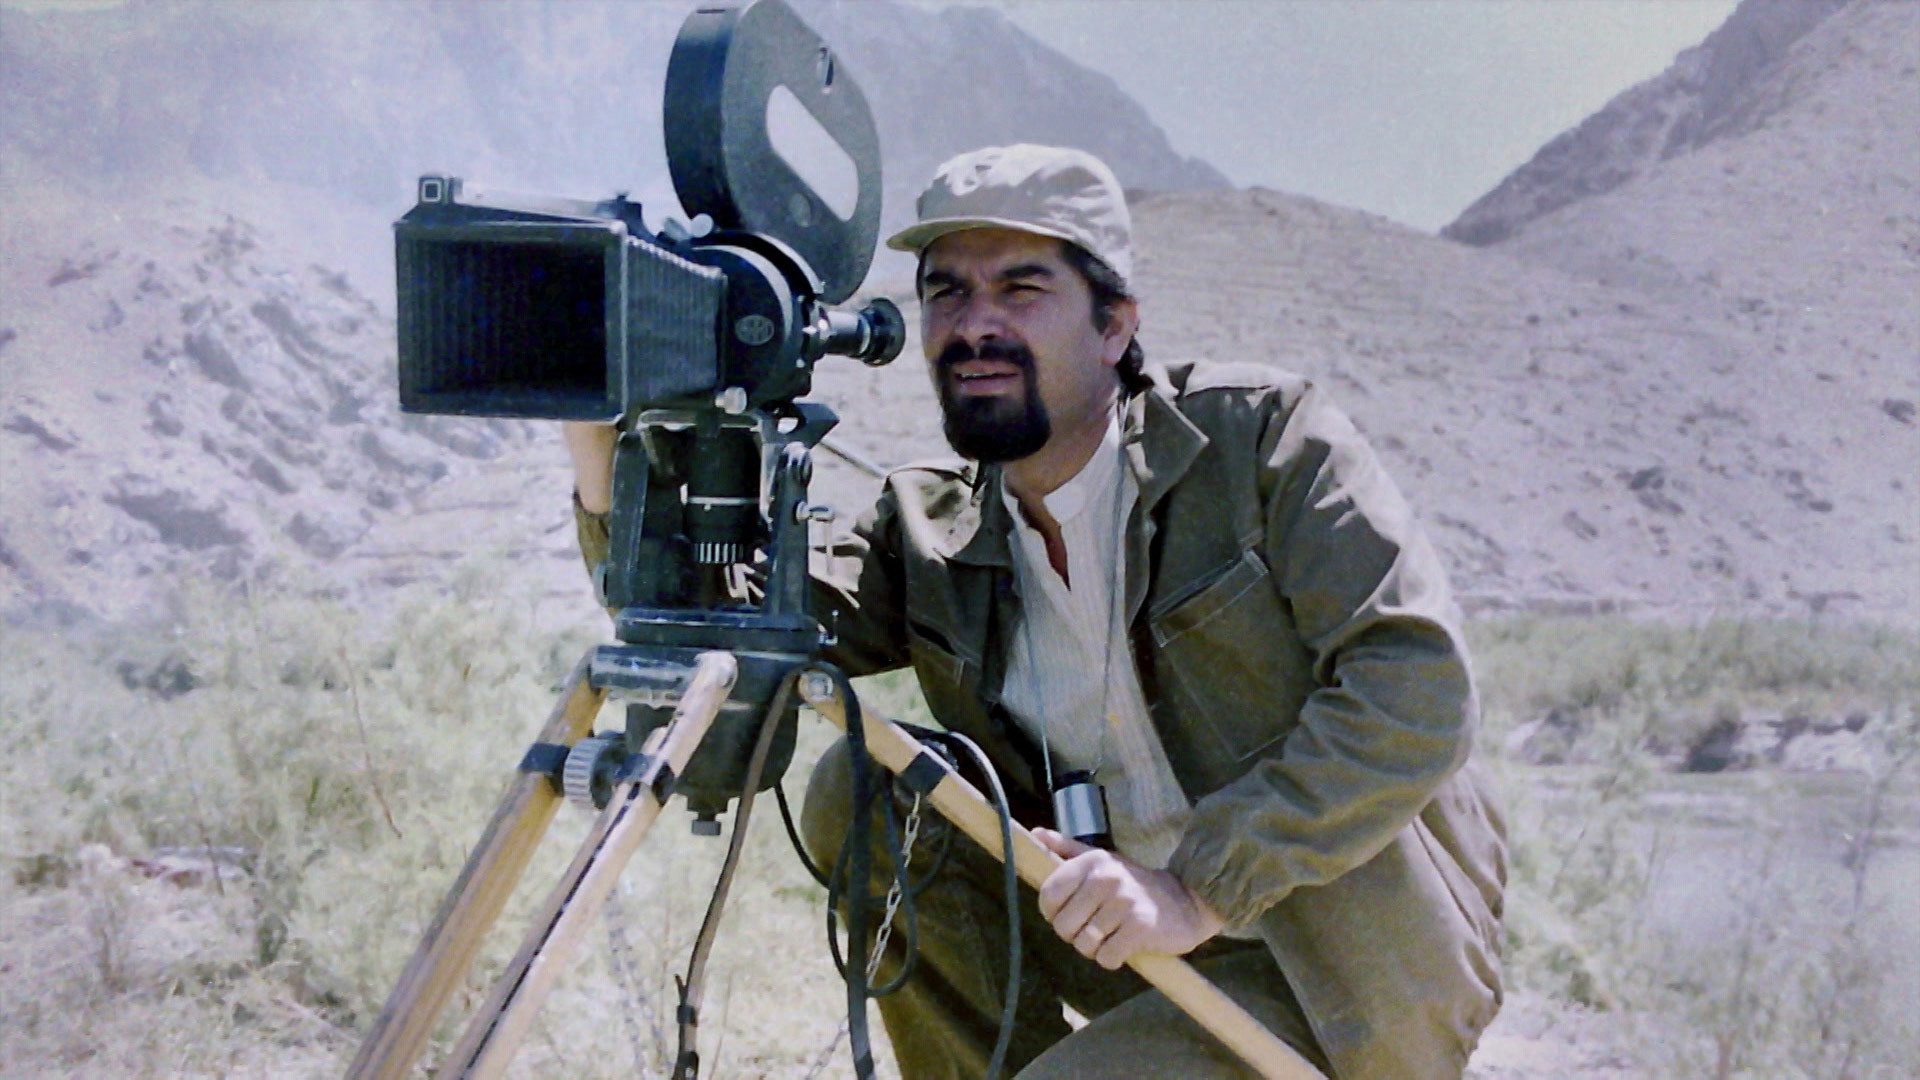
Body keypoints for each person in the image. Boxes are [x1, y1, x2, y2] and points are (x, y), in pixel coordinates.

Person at [568, 144, 1505, 1079]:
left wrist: (1198, 891)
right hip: (1113, 948)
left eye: (1021, 289)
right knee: (862, 792)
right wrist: (593, 425)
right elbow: (720, 628)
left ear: (1113, 326)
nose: (975, 325)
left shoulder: (1260, 445)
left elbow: (1416, 689)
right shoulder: (931, 528)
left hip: (1327, 971)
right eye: (946, 293)